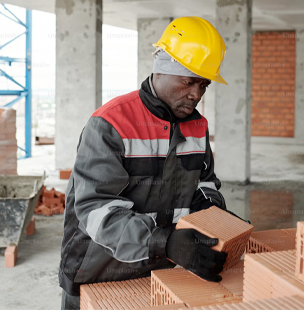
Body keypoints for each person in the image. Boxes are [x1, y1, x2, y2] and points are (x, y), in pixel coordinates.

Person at [59, 16, 229, 310]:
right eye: (189, 81)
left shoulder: (197, 127)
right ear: (161, 69)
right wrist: (164, 242)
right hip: (98, 273)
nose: (196, 94)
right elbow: (96, 210)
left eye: (204, 85)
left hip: (160, 270)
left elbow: (204, 183)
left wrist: (215, 216)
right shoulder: (111, 124)